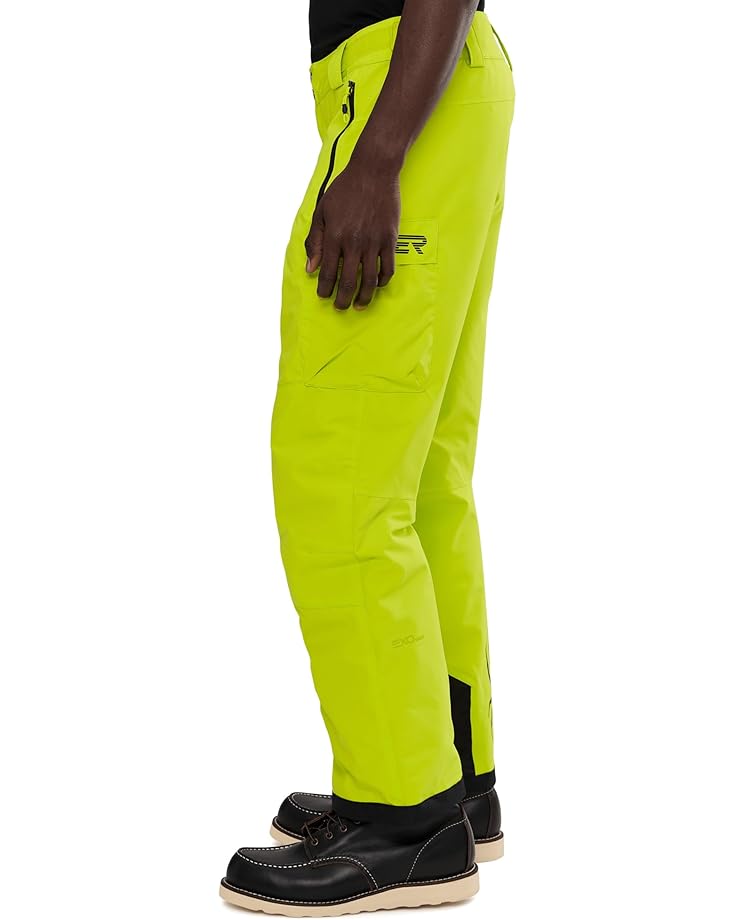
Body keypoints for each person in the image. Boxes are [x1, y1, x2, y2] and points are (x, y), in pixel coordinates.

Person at [220, 0, 514, 913]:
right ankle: (451, 783)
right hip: (445, 83)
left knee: (340, 480)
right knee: (420, 482)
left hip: (405, 86)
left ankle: (405, 818)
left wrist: (377, 156)